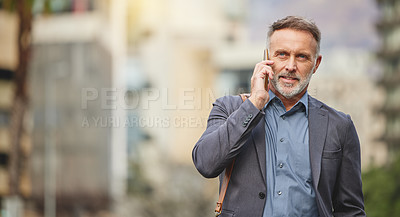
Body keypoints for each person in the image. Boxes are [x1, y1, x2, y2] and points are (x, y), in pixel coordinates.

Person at [192, 16, 366, 217]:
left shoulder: (339, 126)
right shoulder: (228, 108)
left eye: (301, 56)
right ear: (267, 57)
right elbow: (206, 163)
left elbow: (350, 210)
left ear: (316, 63)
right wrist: (254, 103)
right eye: (282, 54)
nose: (291, 66)